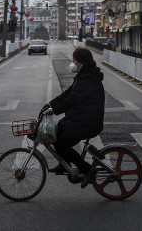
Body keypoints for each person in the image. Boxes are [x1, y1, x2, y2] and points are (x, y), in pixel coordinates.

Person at [43, 47, 105, 188]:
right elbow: (68, 93)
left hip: (87, 122)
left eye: (74, 61)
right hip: (79, 118)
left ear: (81, 63)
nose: (72, 63)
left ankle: (88, 170)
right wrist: (50, 103)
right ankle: (64, 165)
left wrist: (54, 110)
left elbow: (72, 100)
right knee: (56, 133)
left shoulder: (88, 80)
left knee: (62, 145)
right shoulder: (83, 77)